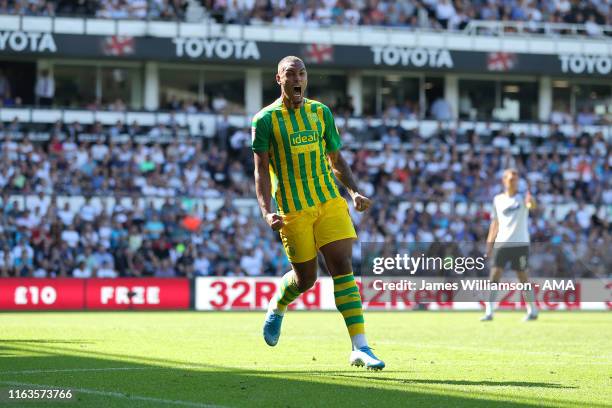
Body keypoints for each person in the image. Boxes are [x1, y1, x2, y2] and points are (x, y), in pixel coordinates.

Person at [252, 56, 384, 370]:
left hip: (328, 201)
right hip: (293, 210)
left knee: (342, 266)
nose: (297, 78)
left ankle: (360, 346)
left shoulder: (320, 112)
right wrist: (265, 211)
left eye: (302, 73)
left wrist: (353, 192)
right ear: (279, 79)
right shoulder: (265, 120)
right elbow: (259, 172)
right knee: (306, 279)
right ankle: (280, 304)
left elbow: (336, 159)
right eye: (290, 74)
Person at [483, 168, 538, 322]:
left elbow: (532, 206)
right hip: (502, 242)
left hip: (520, 243)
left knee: (522, 276)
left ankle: (532, 309)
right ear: (504, 180)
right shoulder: (498, 199)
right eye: (511, 178)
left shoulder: (522, 198)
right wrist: (489, 243)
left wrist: (531, 201)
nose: (514, 181)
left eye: (516, 178)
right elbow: (495, 222)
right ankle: (489, 311)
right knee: (494, 275)